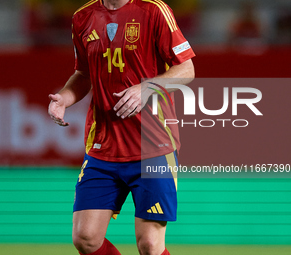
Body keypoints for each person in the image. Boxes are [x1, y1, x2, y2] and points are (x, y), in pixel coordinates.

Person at [48, 0, 195, 254]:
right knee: (85, 238)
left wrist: (146, 87)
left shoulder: (154, 11)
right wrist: (64, 98)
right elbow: (83, 74)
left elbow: (186, 69)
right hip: (102, 147)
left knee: (150, 244)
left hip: (153, 145)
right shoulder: (82, 17)